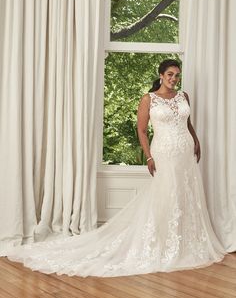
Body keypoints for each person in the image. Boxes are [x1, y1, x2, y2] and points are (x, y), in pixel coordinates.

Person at [7, 59, 226, 277]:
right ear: (161, 75)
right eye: (170, 74)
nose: (173, 79)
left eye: (177, 75)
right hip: (164, 152)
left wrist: (196, 141)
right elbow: (141, 130)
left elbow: (187, 123)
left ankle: (186, 242)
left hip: (185, 151)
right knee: (166, 194)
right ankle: (163, 242)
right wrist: (149, 157)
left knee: (186, 194)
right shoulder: (148, 99)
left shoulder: (183, 96)